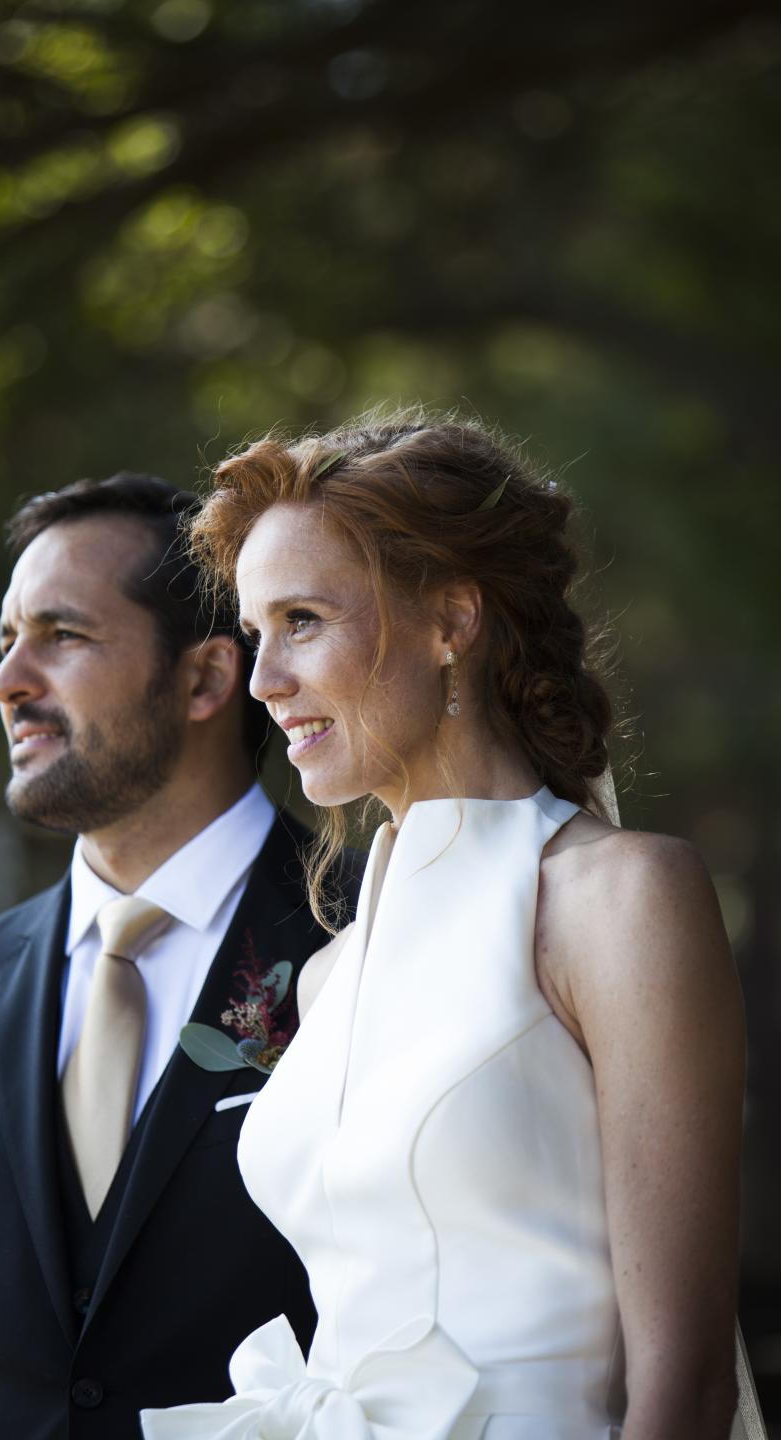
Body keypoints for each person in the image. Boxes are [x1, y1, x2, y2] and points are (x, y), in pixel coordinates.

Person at [141, 413, 746, 1440]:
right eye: (255, 634)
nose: (262, 682)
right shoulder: (329, 979)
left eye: (304, 622)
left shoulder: (619, 901)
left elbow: (685, 1389)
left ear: (450, 620)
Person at [0, 472, 358, 1439]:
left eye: (63, 635)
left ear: (207, 679)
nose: (8, 680)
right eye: (8, 641)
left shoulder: (368, 938)